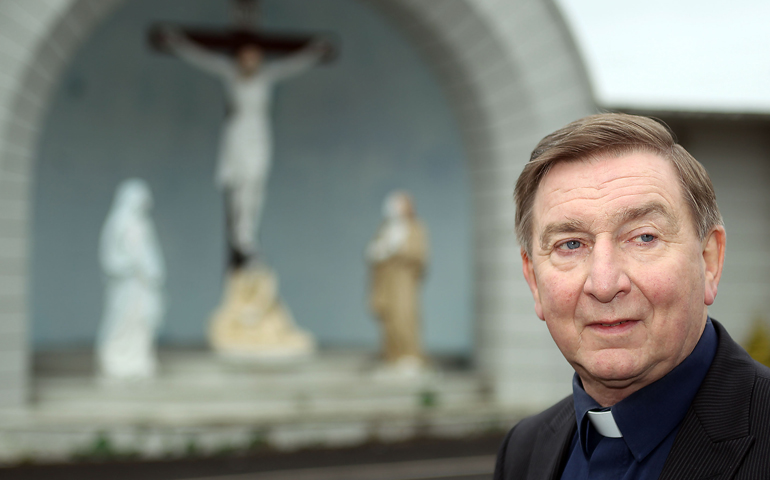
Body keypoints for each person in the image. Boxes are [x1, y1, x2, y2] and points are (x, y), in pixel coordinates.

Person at [494, 113, 770, 479]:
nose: (605, 284)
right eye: (571, 244)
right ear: (533, 280)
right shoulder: (523, 451)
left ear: (709, 261)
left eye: (644, 237)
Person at [163, 28, 328, 267]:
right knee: (239, 185)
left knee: (256, 182)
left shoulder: (266, 75)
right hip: (238, 133)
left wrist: (313, 52)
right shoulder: (230, 73)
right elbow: (204, 59)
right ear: (240, 57)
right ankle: (240, 237)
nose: (251, 60)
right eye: (246, 56)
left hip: (259, 133)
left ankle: (248, 235)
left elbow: (291, 66)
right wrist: (179, 44)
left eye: (255, 56)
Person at [97, 179, 165, 379]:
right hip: (126, 285)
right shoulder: (117, 222)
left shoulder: (143, 224)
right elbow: (109, 256)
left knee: (142, 320)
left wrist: (153, 271)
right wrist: (129, 266)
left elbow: (150, 253)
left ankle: (137, 359)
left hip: (142, 285)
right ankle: (116, 359)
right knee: (121, 320)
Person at [367, 191, 429, 370]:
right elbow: (375, 252)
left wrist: (397, 251)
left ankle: (409, 355)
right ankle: (392, 357)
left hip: (404, 282)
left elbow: (419, 255)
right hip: (386, 282)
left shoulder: (415, 228)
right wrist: (379, 251)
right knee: (389, 320)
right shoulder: (385, 228)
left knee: (405, 317)